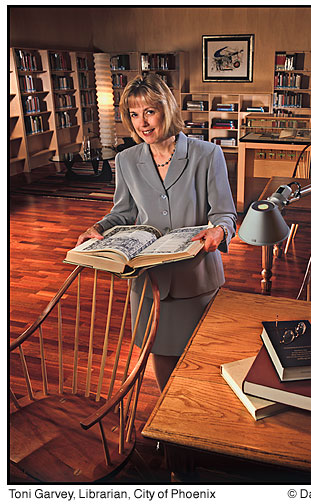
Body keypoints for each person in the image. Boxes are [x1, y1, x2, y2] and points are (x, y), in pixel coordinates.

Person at [76, 74, 237, 392]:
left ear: (168, 108)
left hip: (196, 276)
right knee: (160, 352)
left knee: (203, 357)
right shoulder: (125, 160)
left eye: (149, 111)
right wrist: (97, 229)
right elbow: (122, 212)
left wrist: (220, 229)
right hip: (148, 279)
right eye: (134, 115)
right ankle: (170, 421)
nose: (142, 123)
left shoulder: (207, 155)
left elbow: (224, 213)